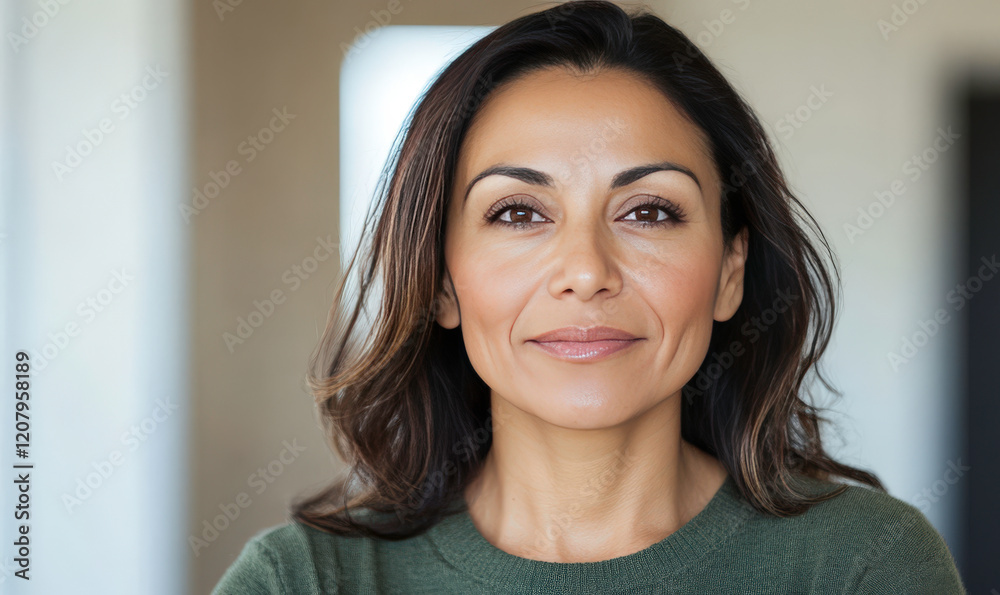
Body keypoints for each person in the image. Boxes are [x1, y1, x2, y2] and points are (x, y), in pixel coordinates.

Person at [213, 1, 966, 593]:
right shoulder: (303, 581)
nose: (585, 269)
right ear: (441, 280)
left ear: (731, 271)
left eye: (649, 211)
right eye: (518, 213)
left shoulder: (865, 567)